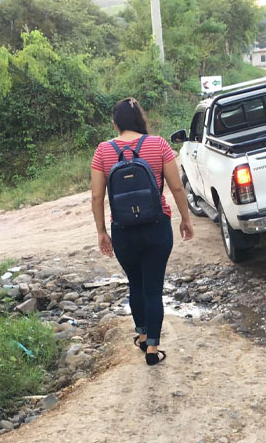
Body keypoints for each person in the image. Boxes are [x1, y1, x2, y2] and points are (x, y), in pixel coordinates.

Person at [90, 97, 194, 366]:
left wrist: (102, 231)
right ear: (141, 120)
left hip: (123, 230)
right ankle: (153, 348)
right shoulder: (158, 144)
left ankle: (142, 335)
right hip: (157, 226)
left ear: (115, 124)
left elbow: (96, 197)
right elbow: (177, 188)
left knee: (135, 284)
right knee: (153, 288)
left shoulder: (103, 151)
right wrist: (186, 218)